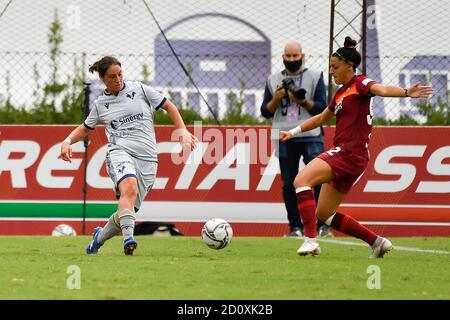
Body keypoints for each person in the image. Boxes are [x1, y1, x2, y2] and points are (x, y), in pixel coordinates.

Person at [280, 37, 432, 257]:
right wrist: (292, 132)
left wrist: (407, 92)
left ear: (349, 67)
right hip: (352, 158)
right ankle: (376, 242)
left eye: (335, 67)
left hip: (349, 153)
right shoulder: (341, 93)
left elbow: (380, 89)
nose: (331, 72)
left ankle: (311, 240)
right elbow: (320, 119)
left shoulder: (360, 83)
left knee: (301, 180)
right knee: (325, 213)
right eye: (330, 67)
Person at [60, 56, 197, 256]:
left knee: (128, 208)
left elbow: (169, 106)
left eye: (120, 74)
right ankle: (128, 240)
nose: (118, 79)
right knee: (129, 186)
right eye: (112, 77)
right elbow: (86, 127)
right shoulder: (101, 105)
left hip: (148, 159)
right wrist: (67, 141)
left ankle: (97, 240)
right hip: (120, 151)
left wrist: (182, 130)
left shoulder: (140, 89)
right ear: (103, 79)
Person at [261, 41, 333, 238]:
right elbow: (265, 112)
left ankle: (322, 224)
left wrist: (302, 101)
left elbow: (322, 109)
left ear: (303, 55)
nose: (291, 59)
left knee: (318, 178)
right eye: (288, 56)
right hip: (284, 135)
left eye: (295, 56)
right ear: (283, 57)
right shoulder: (273, 79)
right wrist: (277, 98)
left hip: (311, 134)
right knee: (288, 183)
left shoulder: (315, 76)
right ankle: (295, 227)